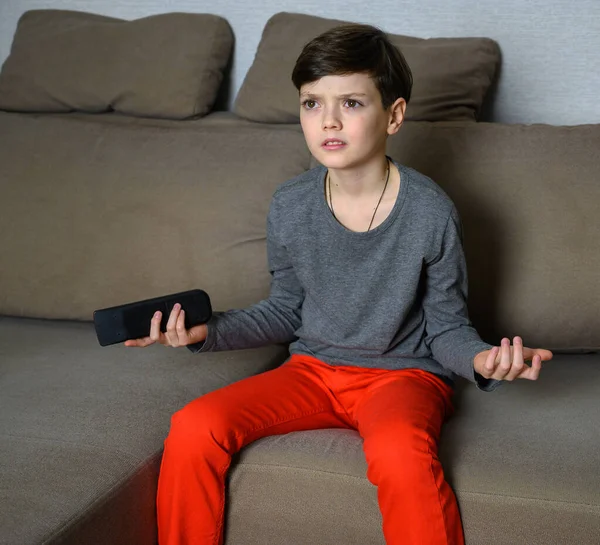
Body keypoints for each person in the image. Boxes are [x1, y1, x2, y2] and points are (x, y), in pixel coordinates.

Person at [125, 23, 554, 545]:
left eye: (350, 103)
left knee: (401, 455)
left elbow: (446, 330)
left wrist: (483, 360)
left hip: (403, 378)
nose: (327, 120)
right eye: (311, 104)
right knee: (194, 426)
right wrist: (206, 332)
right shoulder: (290, 203)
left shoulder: (431, 211)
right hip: (312, 371)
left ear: (393, 115)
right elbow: (287, 310)